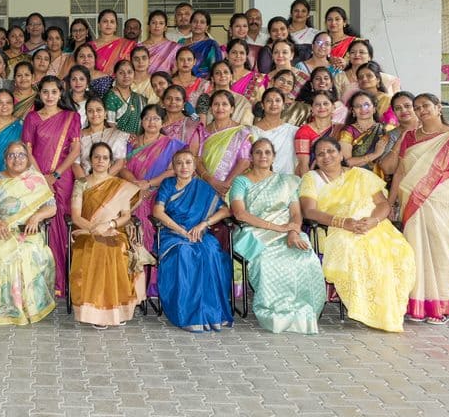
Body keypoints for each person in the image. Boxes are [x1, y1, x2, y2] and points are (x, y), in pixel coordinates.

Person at [389, 93, 449, 324]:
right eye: (417, 107)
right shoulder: (410, 137)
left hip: (445, 204)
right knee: (416, 252)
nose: (421, 110)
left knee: (445, 252)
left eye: (426, 106)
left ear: (438, 107)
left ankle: (444, 306)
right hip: (413, 204)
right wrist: (391, 201)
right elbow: (401, 173)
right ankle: (419, 305)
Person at [299, 136, 415, 332]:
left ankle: (386, 307)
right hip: (335, 228)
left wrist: (372, 221)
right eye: (320, 154)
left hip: (372, 225)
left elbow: (382, 204)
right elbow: (310, 212)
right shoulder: (311, 178)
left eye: (331, 151)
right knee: (353, 250)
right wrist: (344, 222)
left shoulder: (360, 175)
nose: (326, 157)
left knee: (396, 252)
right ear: (315, 159)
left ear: (341, 153)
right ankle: (365, 307)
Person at [228, 138, 325, 334]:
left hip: (288, 232)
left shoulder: (287, 181)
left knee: (305, 258)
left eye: (267, 152)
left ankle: (304, 312)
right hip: (253, 233)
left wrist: (292, 232)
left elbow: (296, 214)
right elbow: (240, 214)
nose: (263, 156)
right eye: (258, 152)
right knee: (267, 261)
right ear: (251, 157)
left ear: (273, 156)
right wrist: (277, 228)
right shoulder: (241, 181)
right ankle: (274, 313)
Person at [0, 141, 58, 325]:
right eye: (11, 155)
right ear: (5, 160)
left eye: (21, 155)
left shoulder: (37, 179)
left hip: (27, 232)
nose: (16, 159)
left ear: (28, 159)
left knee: (29, 253)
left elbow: (51, 207)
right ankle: (5, 308)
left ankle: (29, 307)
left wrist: (36, 217)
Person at [154, 149, 233, 332]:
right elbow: (158, 212)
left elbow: (225, 210)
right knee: (185, 253)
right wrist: (181, 230)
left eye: (188, 162)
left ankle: (213, 313)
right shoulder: (167, 185)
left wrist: (204, 224)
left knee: (212, 252)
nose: (184, 167)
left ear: (194, 166)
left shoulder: (203, 187)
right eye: (179, 163)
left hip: (199, 234)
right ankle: (188, 314)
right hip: (173, 234)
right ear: (173, 167)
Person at [69, 142, 146, 327]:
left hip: (114, 231)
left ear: (110, 161)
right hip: (86, 231)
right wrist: (95, 229)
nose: (100, 161)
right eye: (96, 157)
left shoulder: (120, 186)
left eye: (105, 158)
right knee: (98, 246)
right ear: (90, 160)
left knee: (116, 247)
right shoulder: (81, 184)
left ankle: (117, 309)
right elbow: (76, 216)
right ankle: (97, 312)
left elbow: (126, 216)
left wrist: (110, 225)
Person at [21, 75, 82, 296]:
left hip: (63, 177)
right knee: (38, 222)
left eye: (53, 92)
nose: (49, 96)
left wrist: (55, 174)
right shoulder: (31, 118)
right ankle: (40, 279)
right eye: (45, 92)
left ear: (60, 93)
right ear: (39, 94)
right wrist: (40, 177)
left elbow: (75, 150)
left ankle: (60, 281)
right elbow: (27, 150)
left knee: (60, 224)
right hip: (36, 178)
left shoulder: (71, 117)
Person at [122, 105, 186, 254]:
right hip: (133, 190)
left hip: (160, 192)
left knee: (148, 213)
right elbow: (122, 167)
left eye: (156, 118)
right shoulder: (131, 143)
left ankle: (150, 265)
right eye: (147, 118)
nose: (151, 122)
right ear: (142, 122)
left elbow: (173, 171)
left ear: (163, 122)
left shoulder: (171, 144)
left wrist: (149, 184)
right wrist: (137, 185)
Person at [197, 91, 253, 196]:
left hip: (231, 187)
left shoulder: (242, 132)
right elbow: (197, 160)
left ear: (232, 109)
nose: (220, 108)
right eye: (216, 104)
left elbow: (245, 162)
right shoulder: (202, 132)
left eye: (224, 104)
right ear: (210, 108)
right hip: (205, 184)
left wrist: (226, 184)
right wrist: (211, 181)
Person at [338, 91, 392, 177]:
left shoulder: (386, 130)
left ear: (374, 108)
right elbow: (346, 162)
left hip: (382, 178)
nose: (363, 109)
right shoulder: (348, 131)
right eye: (358, 106)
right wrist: (375, 154)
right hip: (356, 179)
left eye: (367, 105)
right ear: (353, 111)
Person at [73, 96, 129, 179]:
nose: (95, 114)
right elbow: (75, 163)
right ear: (86, 115)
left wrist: (100, 180)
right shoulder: (79, 136)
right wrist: (86, 184)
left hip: (109, 183)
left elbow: (120, 162)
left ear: (105, 113)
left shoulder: (116, 134)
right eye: (90, 111)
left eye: (99, 110)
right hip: (85, 182)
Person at [250, 88, 298, 174]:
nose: (273, 104)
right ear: (262, 105)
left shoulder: (293, 131)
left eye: (277, 100)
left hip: (286, 182)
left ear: (283, 105)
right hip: (259, 182)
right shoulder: (251, 132)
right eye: (269, 101)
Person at [294, 91, 339, 175]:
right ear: (312, 108)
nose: (322, 107)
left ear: (333, 107)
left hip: (337, 176)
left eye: (325, 103)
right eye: (317, 104)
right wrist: (309, 184)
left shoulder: (339, 129)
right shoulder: (304, 131)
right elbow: (303, 165)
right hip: (313, 176)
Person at [103, 59, 145, 135]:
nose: (126, 76)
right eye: (121, 73)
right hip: (117, 142)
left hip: (139, 141)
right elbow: (110, 124)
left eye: (129, 72)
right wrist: (126, 138)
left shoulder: (139, 98)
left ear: (134, 74)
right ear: (115, 75)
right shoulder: (111, 96)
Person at [184, 10, 222, 78]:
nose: (198, 24)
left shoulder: (212, 45)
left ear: (207, 27)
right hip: (183, 80)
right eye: (195, 21)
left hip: (205, 83)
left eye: (202, 22)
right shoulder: (181, 42)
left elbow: (217, 69)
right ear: (190, 24)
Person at [142, 10, 181, 74]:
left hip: (166, 83)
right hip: (144, 83)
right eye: (154, 23)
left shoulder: (174, 48)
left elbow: (177, 72)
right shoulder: (139, 47)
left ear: (165, 28)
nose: (157, 26)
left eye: (161, 23)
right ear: (149, 27)